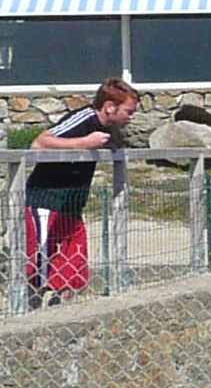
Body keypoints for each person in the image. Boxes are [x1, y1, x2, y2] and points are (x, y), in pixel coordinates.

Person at [24, 77, 140, 301]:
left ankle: (61, 315)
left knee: (75, 275)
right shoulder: (83, 118)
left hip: (73, 206)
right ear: (109, 107)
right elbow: (40, 143)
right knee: (40, 270)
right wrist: (84, 143)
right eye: (128, 111)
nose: (131, 117)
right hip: (46, 201)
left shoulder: (109, 129)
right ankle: (29, 315)